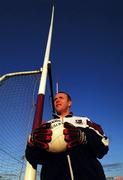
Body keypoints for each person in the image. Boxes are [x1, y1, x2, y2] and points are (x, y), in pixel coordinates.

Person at [25, 91, 109, 180]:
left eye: (61, 98)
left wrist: (84, 136)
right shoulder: (45, 126)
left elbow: (103, 148)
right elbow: (34, 158)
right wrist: (32, 145)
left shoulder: (84, 121)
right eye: (55, 99)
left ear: (69, 103)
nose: (57, 100)